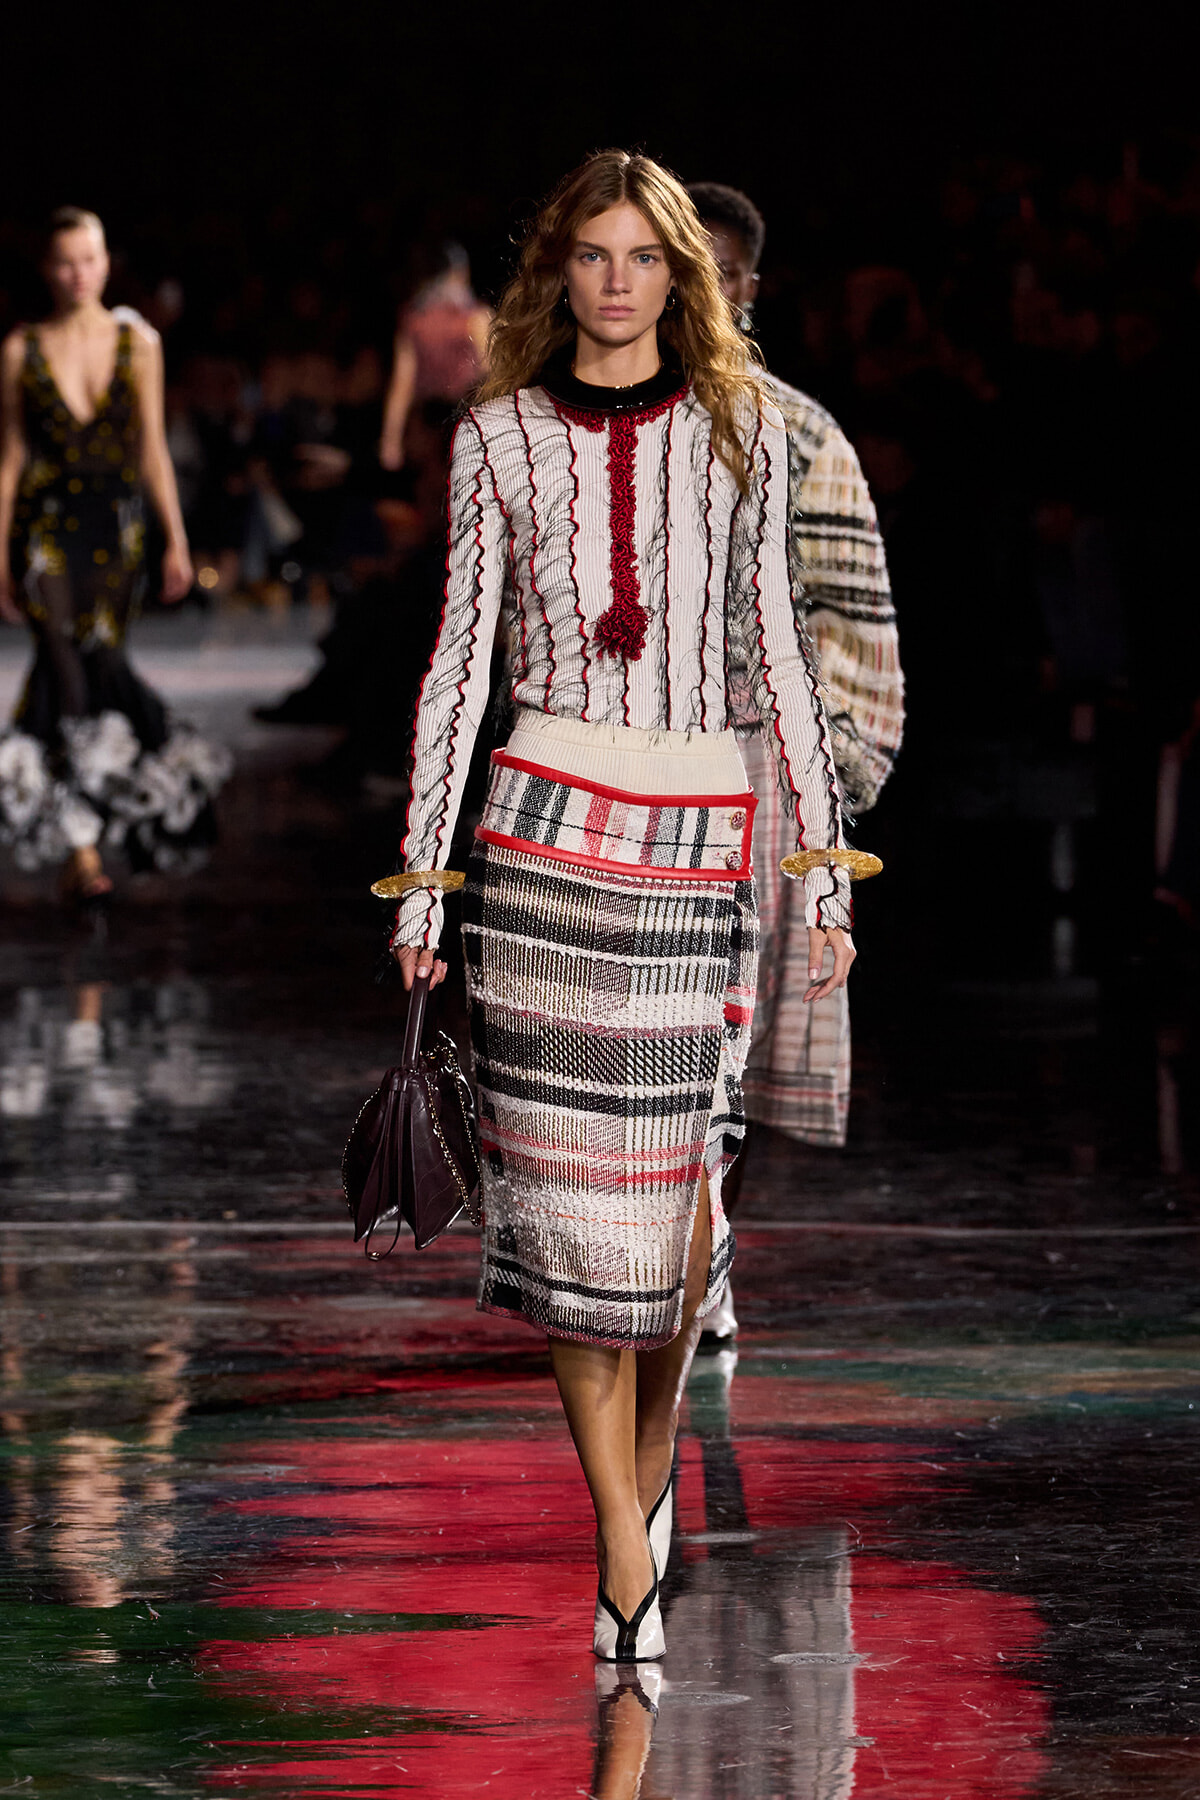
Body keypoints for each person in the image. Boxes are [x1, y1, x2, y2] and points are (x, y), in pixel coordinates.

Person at [389, 151, 873, 1662]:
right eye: (591, 255)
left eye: (642, 256)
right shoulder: (498, 439)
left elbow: (781, 660)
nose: (616, 281)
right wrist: (425, 875)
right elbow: (458, 667)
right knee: (570, 1222)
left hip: (695, 841)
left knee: (667, 1230)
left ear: (681, 273)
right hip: (538, 843)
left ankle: (641, 1498)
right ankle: (621, 1538)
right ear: (560, 272)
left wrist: (818, 856)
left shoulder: (744, 434)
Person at [685, 184, 904, 1341]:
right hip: (623, 758)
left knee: (741, 1039)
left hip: (764, 764)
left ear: (748, 289)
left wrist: (840, 782)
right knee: (648, 1036)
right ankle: (675, 1263)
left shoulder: (803, 434)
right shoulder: (587, 426)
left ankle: (707, 1259)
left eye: (714, 275)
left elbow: (857, 620)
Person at [0, 208, 231, 903]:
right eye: (65, 261)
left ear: (106, 263)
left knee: (98, 663)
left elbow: (153, 448)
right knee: (66, 667)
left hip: (117, 533)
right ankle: (81, 846)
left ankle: (85, 825)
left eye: (89, 259)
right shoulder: (21, 349)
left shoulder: (140, 343)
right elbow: (10, 456)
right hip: (43, 527)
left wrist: (178, 541)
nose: (78, 273)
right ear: (48, 269)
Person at [378, 243, 492, 470]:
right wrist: (391, 439)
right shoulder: (474, 318)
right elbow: (493, 372)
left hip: (453, 423)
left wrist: (391, 439)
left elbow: (403, 384)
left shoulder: (415, 321)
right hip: (453, 425)